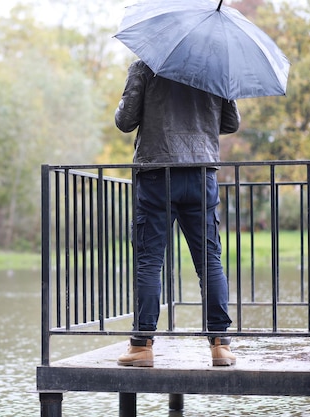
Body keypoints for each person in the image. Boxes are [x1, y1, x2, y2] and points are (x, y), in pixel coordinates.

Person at [114, 59, 240, 367]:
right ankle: (220, 345)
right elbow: (230, 122)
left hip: (158, 172)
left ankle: (142, 346)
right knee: (209, 260)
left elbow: (125, 121)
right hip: (201, 173)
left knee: (149, 261)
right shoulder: (216, 67)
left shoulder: (145, 65)